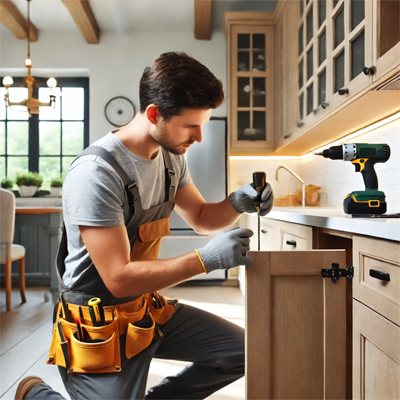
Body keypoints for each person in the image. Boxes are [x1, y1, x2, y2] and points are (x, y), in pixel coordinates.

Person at [16, 51, 273, 400]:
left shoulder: (171, 159)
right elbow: (118, 279)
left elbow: (201, 218)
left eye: (202, 125)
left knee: (245, 350)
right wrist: (206, 260)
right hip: (95, 325)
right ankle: (35, 394)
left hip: (143, 311)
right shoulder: (97, 173)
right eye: (190, 125)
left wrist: (236, 202)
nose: (198, 137)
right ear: (154, 114)